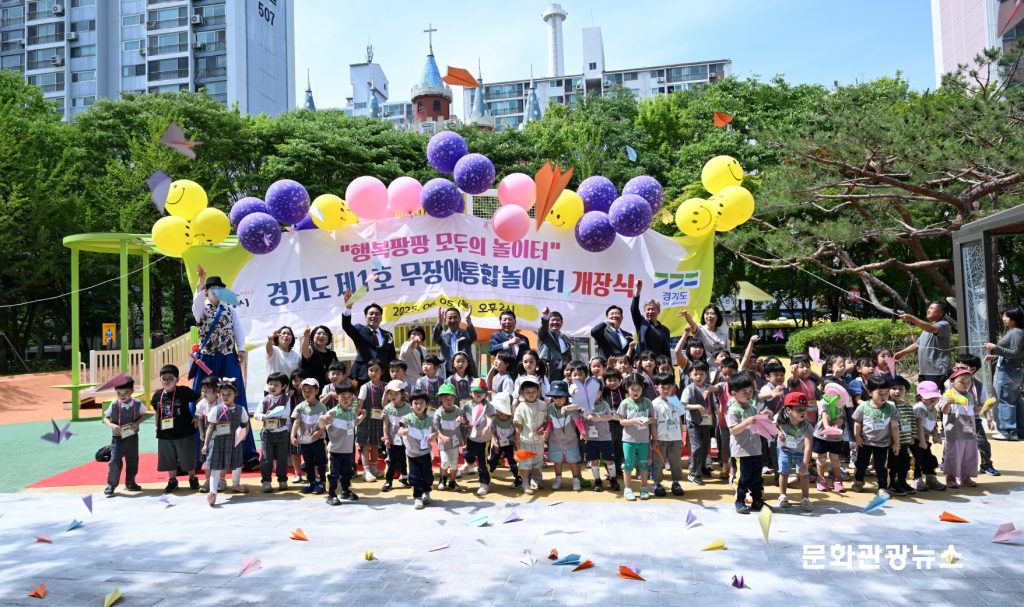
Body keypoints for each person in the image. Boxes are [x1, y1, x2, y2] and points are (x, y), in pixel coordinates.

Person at [191, 266, 257, 468]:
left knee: (237, 399)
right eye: (213, 289)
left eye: (219, 289)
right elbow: (196, 303)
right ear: (206, 291)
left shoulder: (230, 310)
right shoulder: (201, 309)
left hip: (228, 357)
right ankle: (195, 456)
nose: (216, 292)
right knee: (200, 399)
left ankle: (247, 454)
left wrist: (241, 348)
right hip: (207, 359)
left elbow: (238, 330)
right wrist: (201, 280)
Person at [152, 364, 201, 493]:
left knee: (188, 456)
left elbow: (200, 399)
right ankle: (172, 480)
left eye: (170, 378)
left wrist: (197, 415)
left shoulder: (184, 391)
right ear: (160, 380)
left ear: (177, 380)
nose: (167, 381)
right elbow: (157, 411)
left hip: (184, 431)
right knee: (169, 458)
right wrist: (157, 426)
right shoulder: (157, 395)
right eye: (164, 378)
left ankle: (192, 478)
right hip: (165, 433)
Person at [202, 378, 250, 507]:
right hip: (217, 442)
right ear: (219, 394)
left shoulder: (240, 409)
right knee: (216, 467)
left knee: (237, 464)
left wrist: (244, 434)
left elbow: (246, 423)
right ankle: (213, 491)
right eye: (223, 394)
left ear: (236, 394)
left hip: (234, 441)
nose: (225, 396)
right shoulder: (215, 410)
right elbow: (210, 427)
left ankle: (236, 484)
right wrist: (206, 444)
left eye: (229, 393)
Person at [726, 373, 770, 514]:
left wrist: (763, 416)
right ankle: (739, 501)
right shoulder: (733, 410)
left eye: (750, 391)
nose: (749, 394)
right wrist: (746, 422)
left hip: (755, 449)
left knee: (757, 478)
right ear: (734, 393)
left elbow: (755, 423)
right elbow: (733, 430)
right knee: (742, 478)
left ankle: (757, 500)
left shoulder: (751, 406)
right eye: (744, 392)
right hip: (741, 451)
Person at [851, 376, 899, 498]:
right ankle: (859, 480)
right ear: (870, 392)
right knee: (861, 463)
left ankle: (882, 487)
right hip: (865, 442)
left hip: (883, 443)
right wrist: (857, 436)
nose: (884, 396)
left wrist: (896, 443)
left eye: (886, 393)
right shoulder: (863, 406)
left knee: (881, 466)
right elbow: (857, 422)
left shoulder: (891, 407)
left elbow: (894, 426)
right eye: (880, 393)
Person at [984, 306, 1024, 441]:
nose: (1003, 319)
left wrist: (995, 347)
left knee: (1003, 400)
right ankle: (1019, 430)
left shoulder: (1015, 332)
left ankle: (1007, 431)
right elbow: (1015, 353)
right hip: (1013, 370)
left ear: (1014, 318)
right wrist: (995, 356)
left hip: (1008, 370)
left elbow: (1016, 353)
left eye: (1006, 316)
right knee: (1014, 400)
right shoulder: (1016, 332)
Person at [102, 376, 145, 497]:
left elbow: (143, 415)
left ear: (132, 391)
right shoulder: (114, 404)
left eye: (126, 393)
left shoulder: (138, 403)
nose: (122, 396)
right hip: (117, 439)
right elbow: (105, 418)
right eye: (119, 393)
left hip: (132, 437)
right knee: (114, 461)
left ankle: (130, 483)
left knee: (132, 460)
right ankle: (111, 485)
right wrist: (111, 425)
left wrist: (137, 423)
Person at [616, 372, 656, 501]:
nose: (635, 391)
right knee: (628, 464)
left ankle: (644, 488)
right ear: (627, 388)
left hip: (644, 440)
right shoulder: (625, 403)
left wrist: (648, 422)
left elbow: (653, 419)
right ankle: (628, 489)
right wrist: (634, 421)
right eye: (632, 389)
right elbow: (621, 421)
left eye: (638, 389)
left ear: (642, 388)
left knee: (643, 464)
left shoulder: (648, 402)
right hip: (628, 441)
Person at [319, 380, 359, 505]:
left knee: (347, 473)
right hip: (335, 451)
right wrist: (322, 419)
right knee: (333, 474)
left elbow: (353, 424)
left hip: (348, 450)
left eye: (349, 396)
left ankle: (345, 491)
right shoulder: (332, 412)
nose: (346, 399)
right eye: (343, 396)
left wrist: (362, 416)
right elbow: (321, 425)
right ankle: (331, 495)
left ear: (352, 397)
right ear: (337, 397)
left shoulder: (351, 412)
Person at [894, 301, 953, 385]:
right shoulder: (927, 327)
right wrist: (901, 353)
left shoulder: (944, 324)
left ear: (941, 312)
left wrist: (911, 318)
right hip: (924, 371)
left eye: (932, 308)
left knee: (935, 393)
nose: (928, 310)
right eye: (928, 308)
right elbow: (918, 344)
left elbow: (932, 329)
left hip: (938, 371)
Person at [941, 368, 981, 489]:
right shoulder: (948, 394)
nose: (965, 384)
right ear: (952, 381)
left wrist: (982, 408)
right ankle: (951, 477)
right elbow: (944, 411)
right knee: (953, 453)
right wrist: (948, 403)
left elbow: (974, 412)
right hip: (953, 428)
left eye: (968, 382)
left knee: (969, 453)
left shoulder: (970, 395)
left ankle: (965, 477)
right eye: (962, 382)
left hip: (968, 426)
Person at [342, 296, 396, 384]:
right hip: (363, 374)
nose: (374, 316)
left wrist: (393, 375)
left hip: (383, 376)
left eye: (377, 314)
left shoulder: (388, 335)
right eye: (371, 314)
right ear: (365, 317)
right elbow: (346, 325)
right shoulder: (359, 330)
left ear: (381, 318)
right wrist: (348, 308)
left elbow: (392, 357)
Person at [775, 392, 814, 511]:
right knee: (784, 472)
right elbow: (775, 425)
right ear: (788, 410)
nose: (803, 412)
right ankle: (782, 496)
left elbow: (808, 446)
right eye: (799, 409)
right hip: (785, 449)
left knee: (804, 474)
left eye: (804, 409)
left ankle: (805, 498)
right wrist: (779, 432)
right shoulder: (781, 419)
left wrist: (805, 464)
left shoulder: (806, 425)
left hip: (800, 451)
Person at [396, 391, 435, 509]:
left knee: (428, 476)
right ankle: (417, 497)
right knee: (414, 476)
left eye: (421, 403)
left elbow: (436, 432)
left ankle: (427, 492)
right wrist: (403, 431)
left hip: (426, 453)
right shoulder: (406, 418)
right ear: (411, 405)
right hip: (412, 455)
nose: (418, 406)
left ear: (426, 404)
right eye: (415, 403)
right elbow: (399, 430)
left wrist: (434, 436)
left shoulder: (430, 419)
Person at [255, 372, 291, 493]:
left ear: (283, 386)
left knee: (282, 458)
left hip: (282, 433)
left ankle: (282, 480)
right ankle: (266, 481)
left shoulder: (286, 399)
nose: (272, 387)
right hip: (267, 433)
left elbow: (287, 413)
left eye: (276, 384)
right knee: (266, 458)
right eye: (270, 384)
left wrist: (274, 413)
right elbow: (256, 414)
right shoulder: (264, 399)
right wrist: (264, 416)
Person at [650, 373, 685, 497]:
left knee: (676, 462)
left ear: (673, 387)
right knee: (658, 462)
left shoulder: (675, 401)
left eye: (669, 387)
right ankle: (657, 483)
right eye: (663, 387)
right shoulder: (654, 404)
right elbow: (653, 424)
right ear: (656, 387)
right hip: (660, 438)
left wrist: (681, 436)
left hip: (675, 438)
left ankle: (676, 483)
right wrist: (654, 439)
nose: (666, 390)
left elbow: (679, 419)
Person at [545, 380, 583, 491]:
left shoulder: (571, 407)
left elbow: (578, 421)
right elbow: (550, 422)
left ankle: (576, 479)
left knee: (573, 460)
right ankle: (558, 479)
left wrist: (582, 432)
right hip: (555, 440)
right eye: (555, 397)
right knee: (557, 460)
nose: (558, 400)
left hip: (571, 439)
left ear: (566, 397)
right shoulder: (549, 408)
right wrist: (547, 431)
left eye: (561, 397)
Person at [291, 377, 327, 495]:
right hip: (305, 441)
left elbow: (324, 423)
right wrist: (293, 436)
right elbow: (296, 422)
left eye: (310, 390)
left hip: (318, 440)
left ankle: (322, 481)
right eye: (304, 390)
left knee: (321, 461)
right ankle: (311, 481)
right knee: (308, 462)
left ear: (317, 391)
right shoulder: (299, 407)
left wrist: (319, 432)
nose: (307, 393)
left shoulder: (322, 407)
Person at [513, 376, 548, 494]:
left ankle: (536, 479)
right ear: (522, 393)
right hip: (525, 440)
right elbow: (518, 425)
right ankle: (525, 483)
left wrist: (544, 428)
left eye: (533, 391)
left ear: (538, 391)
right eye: (527, 392)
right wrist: (517, 440)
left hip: (539, 440)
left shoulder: (542, 405)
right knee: (525, 463)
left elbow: (546, 421)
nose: (531, 394)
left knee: (537, 462)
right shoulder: (521, 407)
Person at [681, 361, 713, 486]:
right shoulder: (689, 389)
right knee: (697, 446)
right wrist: (697, 407)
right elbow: (683, 405)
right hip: (693, 421)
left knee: (705, 445)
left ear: (706, 375)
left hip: (706, 419)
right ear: (690, 375)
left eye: (701, 374)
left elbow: (713, 402)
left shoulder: (708, 387)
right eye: (695, 374)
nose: (698, 376)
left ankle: (702, 466)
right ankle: (693, 473)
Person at [354, 359, 386, 482]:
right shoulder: (364, 387)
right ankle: (366, 470)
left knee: (376, 444)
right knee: (365, 445)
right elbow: (359, 405)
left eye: (377, 370)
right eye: (371, 370)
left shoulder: (386, 386)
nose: (374, 373)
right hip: (366, 419)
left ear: (382, 372)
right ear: (367, 372)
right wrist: (355, 418)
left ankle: (374, 468)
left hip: (379, 420)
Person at [912, 381, 946, 491]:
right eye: (928, 397)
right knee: (917, 460)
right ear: (919, 396)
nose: (932, 399)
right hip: (915, 440)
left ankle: (931, 478)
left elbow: (932, 424)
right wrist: (922, 441)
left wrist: (935, 435)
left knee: (929, 459)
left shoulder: (933, 409)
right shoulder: (920, 408)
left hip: (924, 439)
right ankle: (916, 480)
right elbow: (919, 425)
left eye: (935, 396)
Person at [380, 379, 411, 492]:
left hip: (405, 440)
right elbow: (386, 424)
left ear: (402, 394)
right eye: (390, 393)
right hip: (392, 440)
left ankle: (404, 479)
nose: (393, 396)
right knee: (391, 461)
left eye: (396, 393)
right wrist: (386, 438)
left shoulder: (408, 408)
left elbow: (411, 422)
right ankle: (388, 481)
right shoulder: (388, 408)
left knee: (403, 460)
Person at [464, 378, 494, 495]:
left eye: (481, 392)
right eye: (475, 391)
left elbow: (490, 417)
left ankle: (484, 483)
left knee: (483, 463)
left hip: (483, 440)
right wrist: (461, 420)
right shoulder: (467, 405)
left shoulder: (488, 406)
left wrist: (488, 426)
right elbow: (463, 417)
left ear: (485, 393)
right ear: (470, 393)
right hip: (471, 437)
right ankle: (470, 462)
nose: (478, 394)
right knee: (467, 453)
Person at [887, 376, 916, 496]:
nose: (897, 391)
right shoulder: (887, 406)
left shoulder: (908, 406)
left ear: (906, 391)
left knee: (905, 463)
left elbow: (912, 421)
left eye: (900, 389)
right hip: (892, 442)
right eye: (893, 388)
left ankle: (902, 481)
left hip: (905, 441)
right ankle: (892, 484)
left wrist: (913, 436)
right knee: (894, 463)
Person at [487, 393, 522, 489]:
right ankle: (487, 476)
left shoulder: (513, 419)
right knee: (493, 460)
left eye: (502, 411)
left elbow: (517, 430)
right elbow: (492, 432)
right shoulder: (494, 419)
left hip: (510, 445)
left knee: (512, 461)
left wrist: (514, 438)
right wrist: (494, 442)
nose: (500, 414)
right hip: (497, 445)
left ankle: (518, 478)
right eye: (498, 411)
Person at [433, 382, 463, 491]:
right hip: (444, 443)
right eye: (446, 398)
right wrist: (442, 437)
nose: (449, 401)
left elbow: (464, 422)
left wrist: (463, 420)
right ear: (440, 398)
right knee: (445, 462)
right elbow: (436, 428)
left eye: (451, 398)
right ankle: (443, 478)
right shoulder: (438, 412)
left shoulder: (457, 410)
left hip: (455, 441)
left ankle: (452, 481)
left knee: (454, 463)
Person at [631, 280, 671, 359]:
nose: (650, 311)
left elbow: (666, 350)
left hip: (659, 362)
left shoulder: (665, 330)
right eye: (648, 309)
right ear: (645, 311)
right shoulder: (642, 324)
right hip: (644, 361)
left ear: (658, 311)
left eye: (653, 309)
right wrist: (638, 290)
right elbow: (634, 309)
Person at [433, 305, 477, 377]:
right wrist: (439, 323)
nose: (453, 320)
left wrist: (468, 319)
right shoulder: (442, 335)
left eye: (455, 317)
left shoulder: (466, 333)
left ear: (460, 319)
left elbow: (473, 337)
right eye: (450, 318)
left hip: (465, 371)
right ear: (445, 320)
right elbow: (435, 338)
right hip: (447, 372)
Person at [194, 376, 220, 492]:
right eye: (202, 390)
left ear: (216, 390)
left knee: (221, 458)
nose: (204, 393)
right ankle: (207, 481)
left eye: (207, 390)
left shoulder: (221, 402)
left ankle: (221, 481)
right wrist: (201, 433)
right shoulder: (202, 403)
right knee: (208, 460)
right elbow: (199, 418)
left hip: (221, 434)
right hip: (207, 435)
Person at [538, 307, 573, 381]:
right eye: (552, 320)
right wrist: (545, 317)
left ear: (562, 322)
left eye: (557, 320)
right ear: (548, 322)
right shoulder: (545, 334)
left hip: (562, 375)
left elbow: (569, 357)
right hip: (547, 373)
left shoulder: (566, 338)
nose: (555, 322)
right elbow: (544, 327)